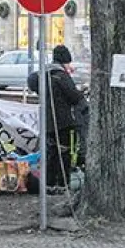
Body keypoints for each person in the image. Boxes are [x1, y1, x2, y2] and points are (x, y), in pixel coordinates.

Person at [26, 44, 88, 192]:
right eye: (67, 62)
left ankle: (49, 183)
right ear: (63, 60)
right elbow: (73, 97)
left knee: (51, 152)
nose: (68, 65)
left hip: (47, 121)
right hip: (63, 122)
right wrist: (82, 92)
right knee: (64, 153)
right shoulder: (61, 75)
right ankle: (62, 184)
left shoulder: (43, 74)